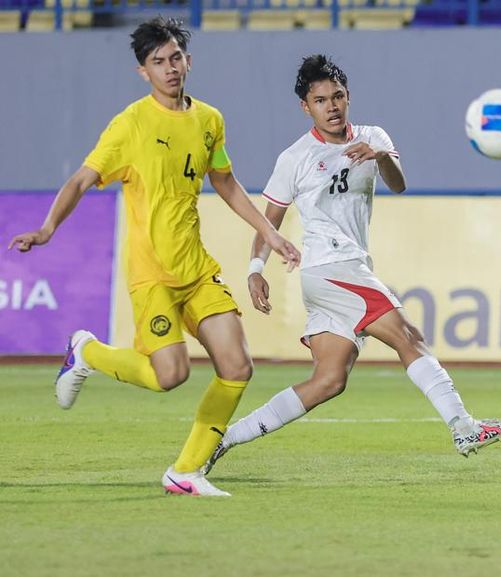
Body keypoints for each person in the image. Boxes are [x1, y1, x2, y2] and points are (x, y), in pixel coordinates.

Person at [7, 17, 301, 497]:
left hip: (196, 269)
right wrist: (47, 228)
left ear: (189, 60)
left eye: (175, 58)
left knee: (238, 367)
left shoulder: (209, 120)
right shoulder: (130, 124)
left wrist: (269, 231)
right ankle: (87, 352)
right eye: (158, 62)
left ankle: (185, 471)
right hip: (152, 275)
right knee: (171, 375)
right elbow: (82, 178)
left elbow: (225, 182)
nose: (169, 69)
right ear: (143, 71)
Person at [201, 54, 501, 475]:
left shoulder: (373, 137)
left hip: (341, 270)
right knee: (409, 337)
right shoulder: (294, 158)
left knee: (328, 381)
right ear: (306, 107)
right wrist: (255, 269)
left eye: (337, 97)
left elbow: (399, 184)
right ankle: (462, 425)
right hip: (331, 267)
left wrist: (379, 156)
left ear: (348, 96)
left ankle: (221, 440)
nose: (331, 106)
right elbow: (269, 221)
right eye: (320, 100)